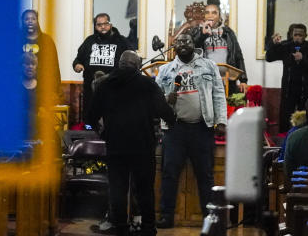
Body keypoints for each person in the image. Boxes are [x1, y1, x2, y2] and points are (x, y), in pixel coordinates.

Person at [87, 50, 176, 236]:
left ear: (120, 64)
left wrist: (103, 133)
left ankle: (120, 227)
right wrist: (172, 118)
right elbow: (163, 111)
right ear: (138, 65)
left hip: (116, 145)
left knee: (118, 189)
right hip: (142, 145)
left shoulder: (105, 84)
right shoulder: (147, 84)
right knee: (144, 189)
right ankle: (148, 228)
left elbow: (90, 116)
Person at [154, 33, 227, 229]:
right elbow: (154, 97)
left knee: (205, 175)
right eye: (179, 42)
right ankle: (167, 216)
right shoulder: (165, 70)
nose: (183, 44)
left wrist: (221, 121)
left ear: (193, 44)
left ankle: (209, 218)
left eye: (187, 41)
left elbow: (219, 93)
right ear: (174, 46)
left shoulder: (208, 66)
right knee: (169, 173)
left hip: (202, 128)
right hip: (174, 129)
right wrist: (164, 100)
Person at [265, 23, 308, 132]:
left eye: (300, 35)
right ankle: (284, 142)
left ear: (306, 35)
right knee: (285, 120)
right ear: (292, 35)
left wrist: (303, 60)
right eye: (295, 35)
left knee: (304, 121)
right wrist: (273, 44)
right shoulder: (286, 46)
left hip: (306, 91)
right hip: (288, 90)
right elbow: (269, 57)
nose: (298, 37)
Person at [72, 13, 128, 122]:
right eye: (99, 25)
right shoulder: (89, 41)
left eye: (105, 24)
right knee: (90, 121)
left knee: (112, 121)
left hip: (114, 89)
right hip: (91, 91)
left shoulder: (121, 41)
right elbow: (78, 59)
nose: (102, 27)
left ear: (110, 25)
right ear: (95, 27)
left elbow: (131, 59)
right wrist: (77, 65)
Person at [188, 0, 247, 93]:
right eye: (207, 12)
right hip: (204, 80)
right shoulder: (196, 31)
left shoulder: (228, 32)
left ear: (219, 16)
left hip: (227, 80)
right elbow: (190, 52)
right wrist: (202, 35)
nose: (210, 15)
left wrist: (243, 80)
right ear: (204, 16)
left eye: (214, 13)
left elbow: (238, 55)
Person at [21, 9, 61, 104]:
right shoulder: (17, 40)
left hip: (43, 90)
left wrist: (55, 91)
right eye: (27, 19)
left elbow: (54, 67)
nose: (30, 21)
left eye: (33, 19)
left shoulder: (47, 41)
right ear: (22, 21)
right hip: (22, 89)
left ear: (37, 21)